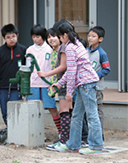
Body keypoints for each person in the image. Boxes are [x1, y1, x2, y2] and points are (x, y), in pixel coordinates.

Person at [51, 22, 103, 155]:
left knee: (91, 115)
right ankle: (72, 144)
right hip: (83, 84)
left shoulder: (69, 47)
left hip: (86, 84)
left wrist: (69, 92)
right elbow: (71, 71)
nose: (60, 40)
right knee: (76, 115)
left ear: (65, 35)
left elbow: (72, 69)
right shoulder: (77, 43)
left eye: (60, 37)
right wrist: (60, 83)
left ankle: (96, 145)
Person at [37, 28, 71, 150]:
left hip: (67, 84)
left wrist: (46, 74)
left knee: (65, 112)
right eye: (49, 37)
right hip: (59, 84)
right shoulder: (53, 52)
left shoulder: (63, 50)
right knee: (67, 112)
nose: (51, 39)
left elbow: (63, 67)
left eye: (54, 36)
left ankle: (65, 139)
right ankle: (65, 137)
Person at [26, 24, 58, 142]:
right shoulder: (29, 50)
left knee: (51, 108)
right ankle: (37, 133)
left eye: (38, 36)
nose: (35, 39)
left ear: (43, 36)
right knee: (35, 110)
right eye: (33, 37)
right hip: (33, 83)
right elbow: (28, 67)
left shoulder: (50, 49)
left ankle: (61, 132)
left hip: (47, 83)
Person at [0, 23, 26, 127]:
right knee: (4, 110)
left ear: (17, 36)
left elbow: (27, 69)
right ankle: (10, 129)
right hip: (3, 87)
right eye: (8, 37)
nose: (11, 39)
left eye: (13, 36)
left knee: (16, 110)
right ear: (4, 38)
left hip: (17, 87)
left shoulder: (23, 50)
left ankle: (16, 129)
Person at [87, 26, 111, 140]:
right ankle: (90, 134)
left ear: (100, 39)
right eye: (89, 36)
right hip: (86, 86)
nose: (90, 38)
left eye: (93, 36)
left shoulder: (102, 53)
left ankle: (99, 134)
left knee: (97, 110)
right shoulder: (86, 51)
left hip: (97, 86)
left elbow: (107, 69)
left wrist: (95, 76)